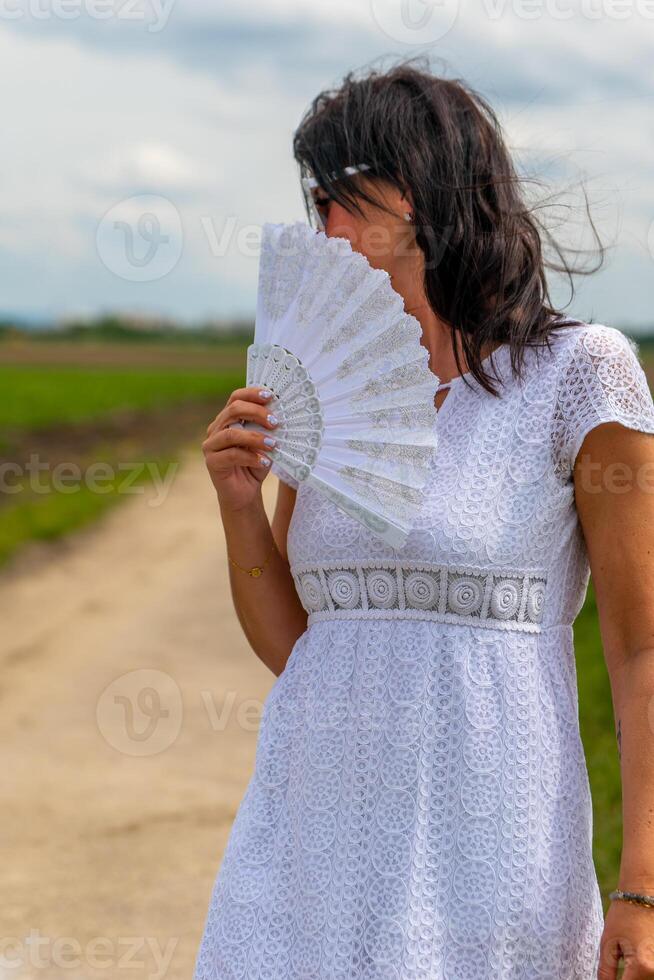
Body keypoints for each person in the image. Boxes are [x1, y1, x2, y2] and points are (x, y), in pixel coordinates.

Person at [194, 61, 654, 979]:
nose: (322, 226)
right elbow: (300, 645)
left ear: (430, 195)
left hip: (494, 846)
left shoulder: (580, 376)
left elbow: (642, 648)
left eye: (345, 196)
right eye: (316, 198)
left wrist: (643, 880)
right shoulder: (326, 385)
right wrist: (240, 511)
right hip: (306, 838)